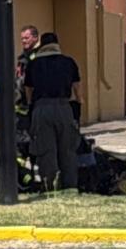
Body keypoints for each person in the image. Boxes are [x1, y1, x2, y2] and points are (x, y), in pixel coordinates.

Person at [23, 32, 81, 191]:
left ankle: (50, 185)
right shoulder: (69, 62)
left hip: (42, 108)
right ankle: (70, 185)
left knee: (46, 150)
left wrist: (32, 107)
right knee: (68, 149)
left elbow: (28, 90)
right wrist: (77, 108)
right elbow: (77, 91)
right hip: (64, 107)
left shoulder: (34, 64)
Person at [15, 24, 40, 130]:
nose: (24, 41)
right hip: (22, 102)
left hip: (36, 101)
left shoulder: (39, 56)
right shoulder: (23, 57)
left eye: (26, 38)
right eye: (22, 39)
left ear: (35, 38)